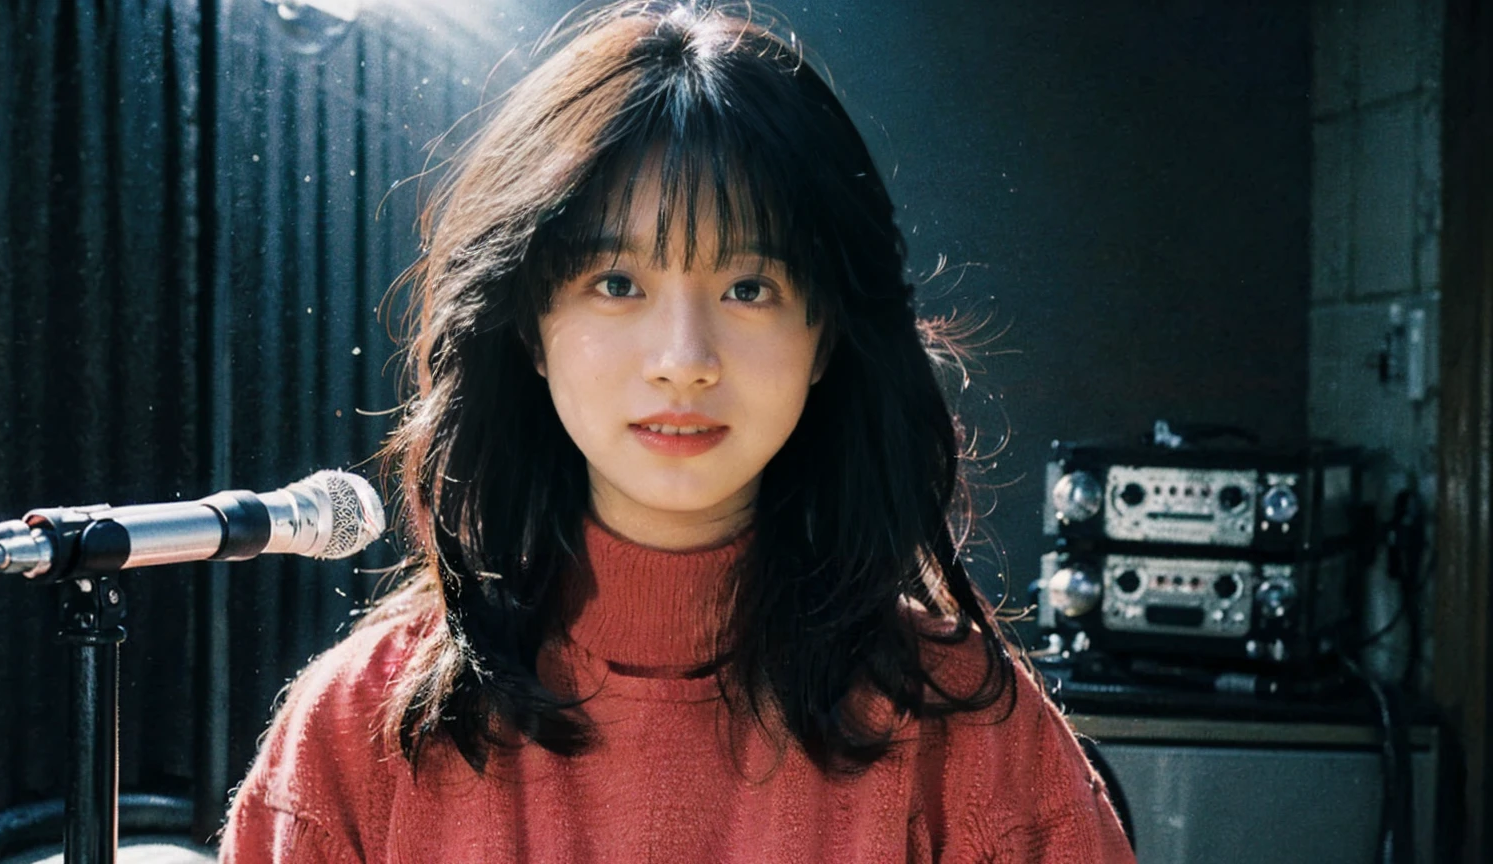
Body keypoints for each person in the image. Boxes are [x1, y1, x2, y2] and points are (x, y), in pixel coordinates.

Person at [218, 2, 1135, 861]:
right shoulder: (356, 733)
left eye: (750, 288)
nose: (684, 358)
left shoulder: (967, 736)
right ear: (531, 323)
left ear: (825, 337)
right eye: (617, 283)